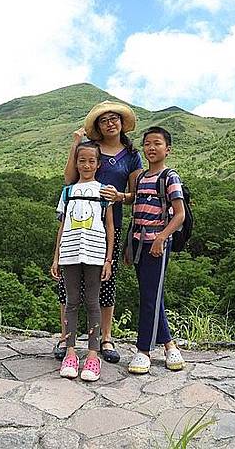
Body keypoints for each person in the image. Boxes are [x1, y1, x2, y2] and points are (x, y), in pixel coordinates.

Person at [52, 100, 143, 364]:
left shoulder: (131, 154)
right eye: (104, 120)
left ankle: (105, 337)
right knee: (68, 285)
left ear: (122, 122)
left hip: (108, 223)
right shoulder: (90, 150)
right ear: (97, 126)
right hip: (78, 225)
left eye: (114, 118)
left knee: (105, 282)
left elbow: (135, 194)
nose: (110, 123)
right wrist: (74, 145)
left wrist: (120, 196)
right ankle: (65, 337)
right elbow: (69, 179)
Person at [51, 141, 114, 381]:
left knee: (92, 302)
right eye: (81, 160)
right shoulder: (67, 191)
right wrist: (56, 256)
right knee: (71, 301)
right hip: (69, 253)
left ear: (98, 164)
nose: (86, 165)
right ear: (76, 163)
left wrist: (108, 259)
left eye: (91, 161)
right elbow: (62, 226)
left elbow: (109, 226)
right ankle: (69, 352)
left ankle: (92, 355)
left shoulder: (104, 191)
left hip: (96, 253)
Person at [126, 126, 186, 375]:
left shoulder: (169, 177)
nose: (151, 148)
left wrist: (162, 238)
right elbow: (135, 206)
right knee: (152, 295)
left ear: (167, 149)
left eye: (157, 143)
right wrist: (130, 246)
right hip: (139, 242)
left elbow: (179, 214)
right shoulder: (140, 178)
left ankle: (143, 351)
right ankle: (170, 345)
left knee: (149, 297)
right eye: (147, 143)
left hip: (157, 245)